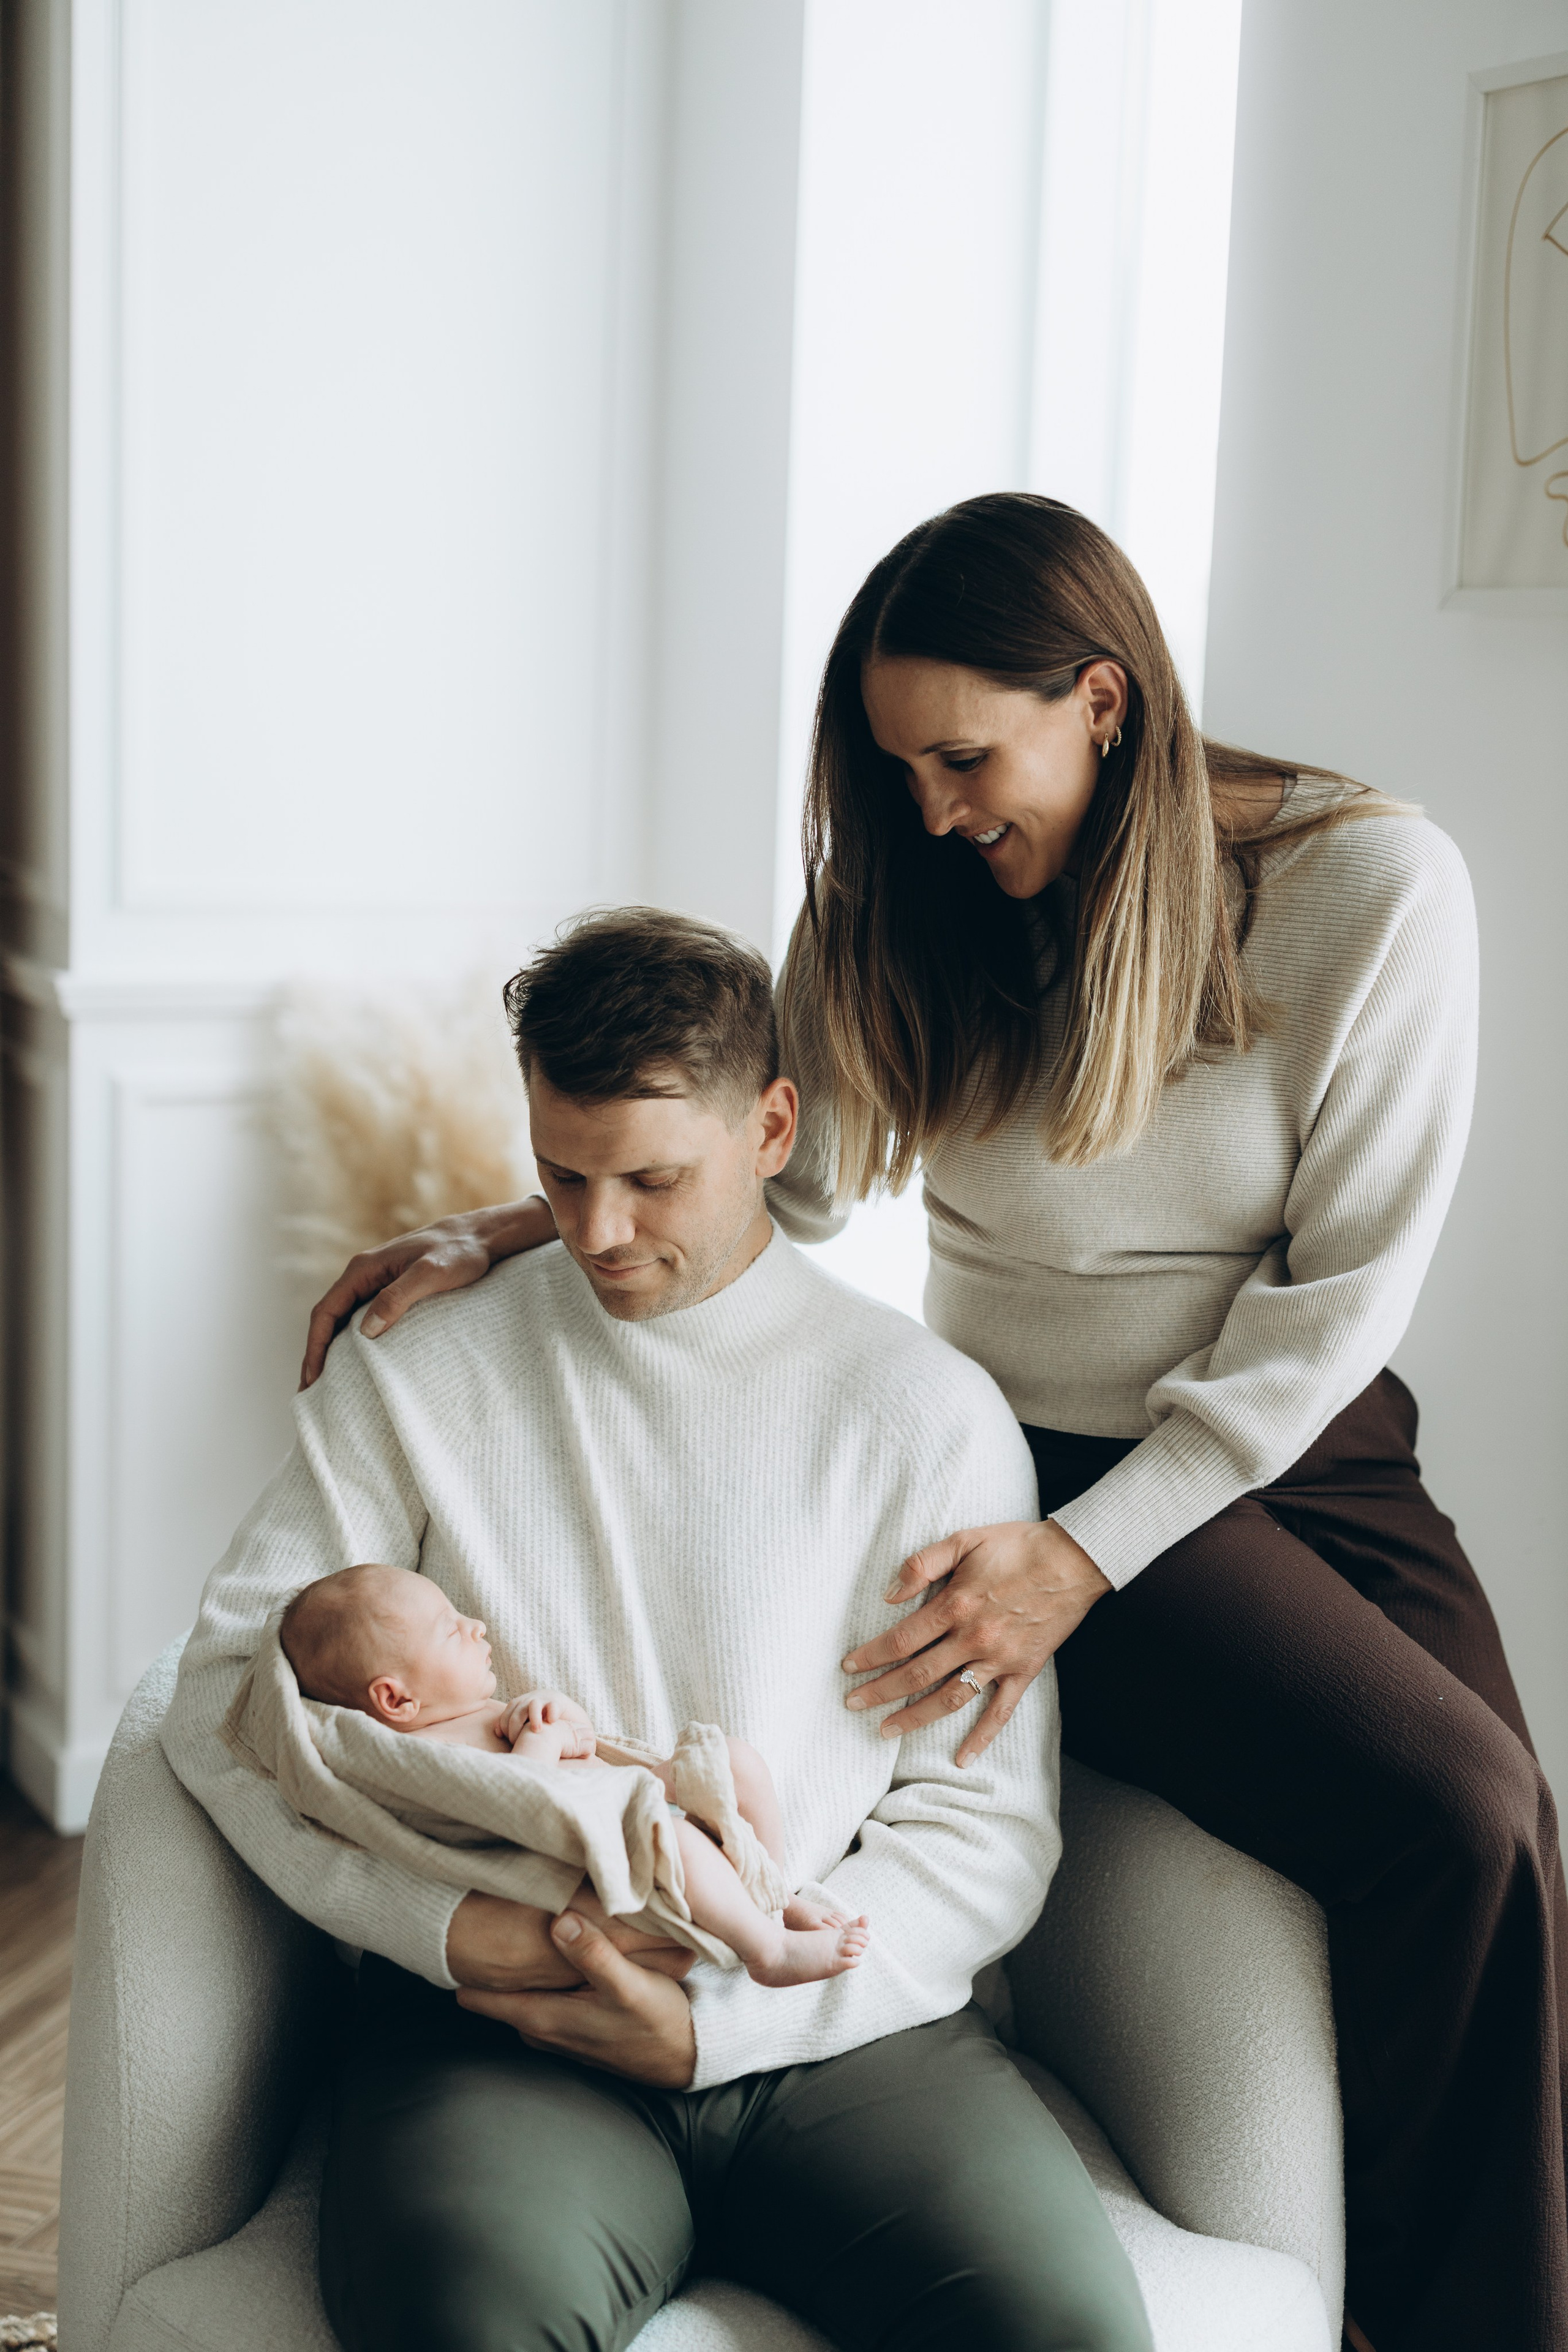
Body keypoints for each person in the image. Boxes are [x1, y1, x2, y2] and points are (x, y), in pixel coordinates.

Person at [306, 496, 1566, 2352]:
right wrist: (515, 1223)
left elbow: (1336, 1300)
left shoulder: (1372, 887)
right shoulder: (902, 894)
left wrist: (1095, 1557)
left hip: (1305, 1450)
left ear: (1105, 703)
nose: (934, 811)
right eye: (897, 768)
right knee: (1456, 1812)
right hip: (1035, 1466)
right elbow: (772, 1178)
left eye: (969, 758)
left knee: (1507, 1831)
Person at [165, 905, 1154, 2352]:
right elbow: (218, 1693)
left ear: (770, 1127)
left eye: (650, 1179)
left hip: (843, 2027)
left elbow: (984, 1827)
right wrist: (457, 1933)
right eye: (559, 1174)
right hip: (502, 2018)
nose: (596, 1231)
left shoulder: (925, 1413)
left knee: (1069, 2330)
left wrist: (728, 2024)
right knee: (459, 2315)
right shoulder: (420, 1366)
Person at [278, 1561, 873, 1986]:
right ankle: (766, 1950)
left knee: (737, 1761)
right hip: (622, 1858)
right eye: (452, 1628)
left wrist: (559, 1715)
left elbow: (588, 1748)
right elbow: (511, 1806)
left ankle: (773, 1895)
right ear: (396, 1700)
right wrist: (540, 1738)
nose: (476, 1625)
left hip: (639, 1806)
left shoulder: (481, 1713)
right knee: (681, 1842)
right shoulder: (423, 1758)